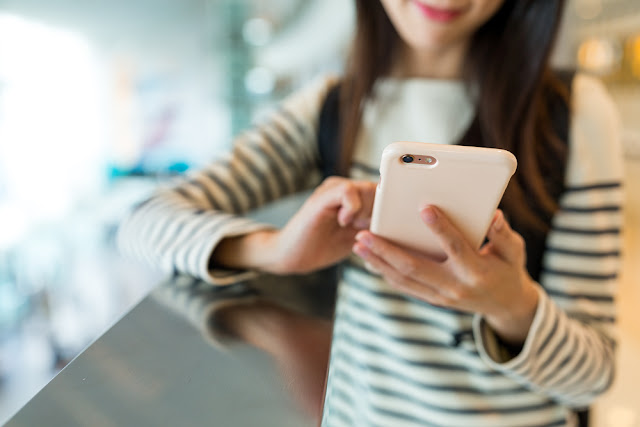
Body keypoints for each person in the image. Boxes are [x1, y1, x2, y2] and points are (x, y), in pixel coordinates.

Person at [118, 0, 624, 425]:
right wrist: (274, 251)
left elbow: (593, 375)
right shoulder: (332, 106)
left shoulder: (575, 112)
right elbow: (144, 221)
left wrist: (512, 307)